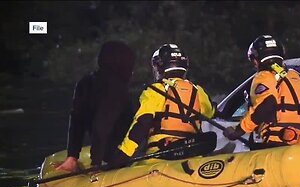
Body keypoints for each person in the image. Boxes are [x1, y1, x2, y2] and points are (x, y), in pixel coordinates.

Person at [223, 35, 300, 153]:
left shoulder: (264, 76)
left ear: (256, 59)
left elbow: (267, 104)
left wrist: (239, 130)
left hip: (276, 147)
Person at [113, 43, 216, 161]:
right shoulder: (198, 91)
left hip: (159, 157)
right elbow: (211, 112)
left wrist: (123, 154)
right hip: (193, 156)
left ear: (159, 67)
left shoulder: (155, 91)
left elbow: (143, 122)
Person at [55, 40, 136, 172]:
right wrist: (96, 164)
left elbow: (76, 122)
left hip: (103, 150)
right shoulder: (117, 88)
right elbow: (102, 126)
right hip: (116, 155)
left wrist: (72, 156)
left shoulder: (84, 83)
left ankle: (72, 160)